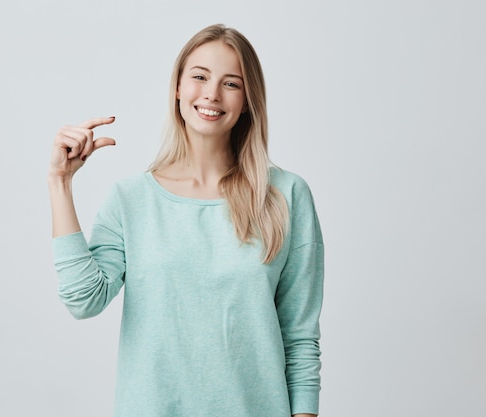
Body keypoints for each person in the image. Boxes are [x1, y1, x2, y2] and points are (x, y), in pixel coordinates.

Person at [48, 24, 324, 417]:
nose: (211, 93)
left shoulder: (286, 196)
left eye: (231, 83)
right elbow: (84, 299)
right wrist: (60, 183)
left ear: (247, 100)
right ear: (178, 87)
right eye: (199, 77)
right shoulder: (131, 199)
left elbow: (299, 336)